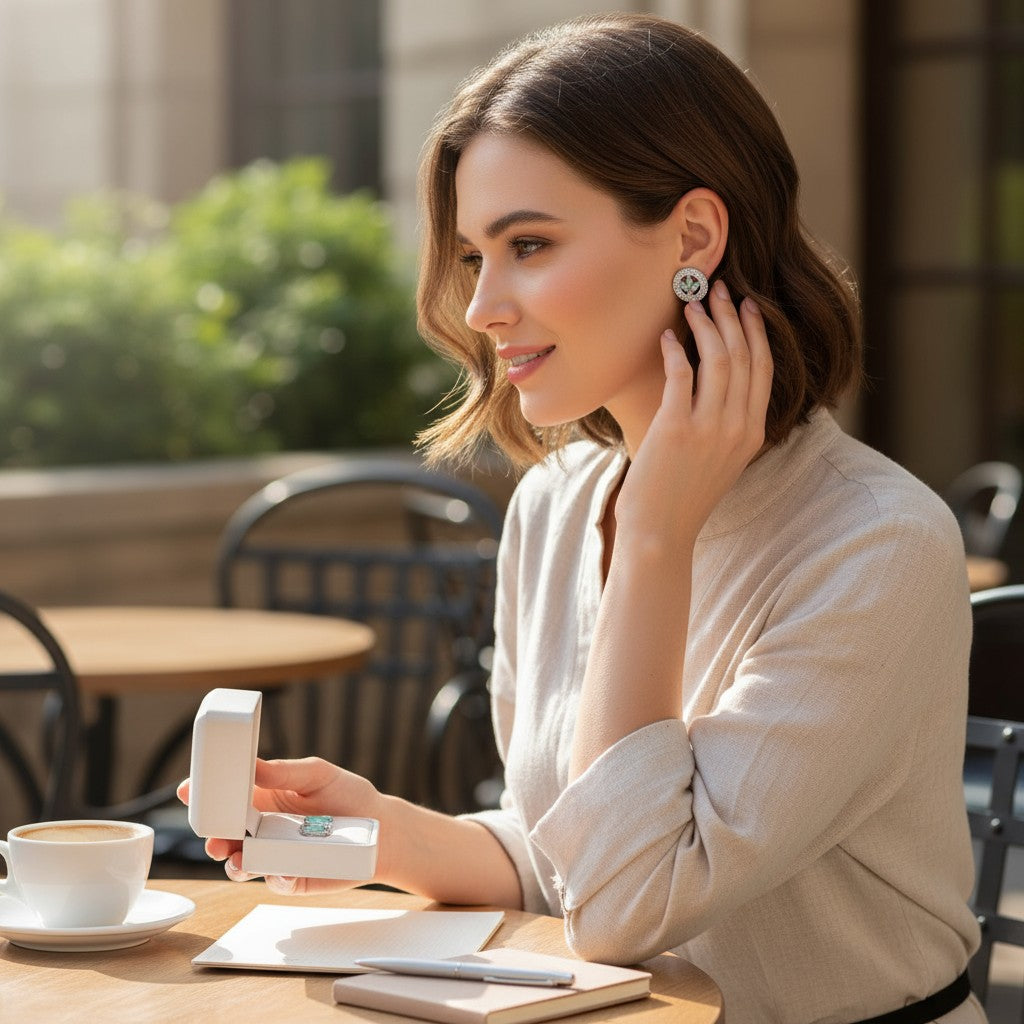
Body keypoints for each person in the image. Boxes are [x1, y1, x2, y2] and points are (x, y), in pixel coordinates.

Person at [179, 14, 984, 1023]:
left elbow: (624, 902)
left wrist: (655, 536)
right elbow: (571, 847)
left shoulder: (875, 544)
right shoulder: (557, 505)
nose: (483, 307)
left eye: (528, 244)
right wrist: (386, 831)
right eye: (477, 256)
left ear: (693, 237)